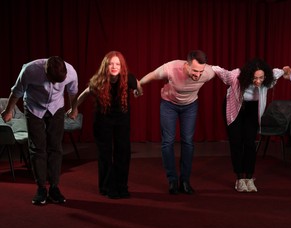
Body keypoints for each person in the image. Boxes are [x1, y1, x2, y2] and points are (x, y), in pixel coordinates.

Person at [1, 56, 78, 205]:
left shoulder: (71, 72)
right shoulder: (30, 70)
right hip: (34, 107)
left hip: (56, 107)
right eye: (51, 80)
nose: (54, 84)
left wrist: (74, 109)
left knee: (55, 147)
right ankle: (41, 188)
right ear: (45, 72)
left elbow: (73, 92)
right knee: (37, 148)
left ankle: (54, 187)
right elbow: (16, 91)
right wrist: (8, 110)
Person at [67, 51, 142, 199]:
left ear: (122, 66)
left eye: (117, 64)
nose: (114, 66)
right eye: (111, 64)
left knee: (123, 153)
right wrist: (74, 107)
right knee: (105, 154)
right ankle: (106, 187)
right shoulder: (98, 80)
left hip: (122, 120)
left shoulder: (129, 79)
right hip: (103, 120)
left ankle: (122, 186)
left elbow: (139, 87)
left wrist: (137, 92)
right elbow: (84, 93)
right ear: (105, 66)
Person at [139, 50, 215, 195]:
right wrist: (138, 86)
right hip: (169, 105)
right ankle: (172, 180)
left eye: (201, 71)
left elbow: (224, 73)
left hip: (190, 106)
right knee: (168, 141)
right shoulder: (171, 68)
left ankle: (185, 181)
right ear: (187, 65)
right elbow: (152, 75)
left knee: (188, 142)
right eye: (195, 71)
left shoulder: (208, 72)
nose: (198, 75)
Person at [212, 59, 286, 192]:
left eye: (261, 78)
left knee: (250, 143)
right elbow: (221, 71)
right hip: (235, 107)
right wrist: (208, 67)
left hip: (252, 108)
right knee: (236, 142)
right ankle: (240, 178)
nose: (258, 81)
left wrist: (286, 70)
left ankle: (249, 178)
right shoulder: (235, 76)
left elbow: (279, 71)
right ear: (248, 76)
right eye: (255, 78)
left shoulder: (268, 78)